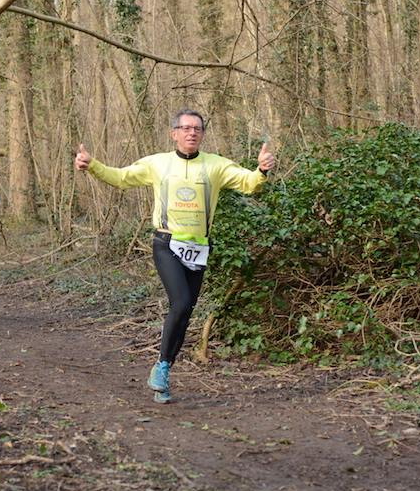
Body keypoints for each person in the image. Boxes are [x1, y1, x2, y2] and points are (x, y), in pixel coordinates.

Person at [75, 109, 275, 404]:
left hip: (199, 248)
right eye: (185, 128)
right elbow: (120, 178)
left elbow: (248, 183)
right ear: (174, 133)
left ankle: (163, 370)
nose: (191, 133)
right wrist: (92, 165)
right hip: (166, 243)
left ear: (203, 134)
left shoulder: (216, 166)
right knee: (179, 302)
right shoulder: (157, 164)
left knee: (185, 312)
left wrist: (261, 171)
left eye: (197, 128)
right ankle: (162, 369)